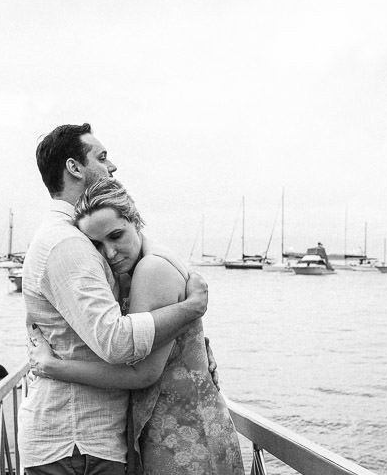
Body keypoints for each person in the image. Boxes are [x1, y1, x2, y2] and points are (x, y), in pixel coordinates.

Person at [19, 123, 210, 475]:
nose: (113, 167)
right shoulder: (67, 243)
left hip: (87, 440)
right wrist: (189, 310)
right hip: (78, 441)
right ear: (74, 167)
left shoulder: (80, 237)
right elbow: (116, 342)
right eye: (102, 157)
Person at [29, 177, 244, 474]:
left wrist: (53, 367)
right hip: (178, 423)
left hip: (183, 430)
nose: (110, 253)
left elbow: (143, 373)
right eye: (97, 245)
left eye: (116, 235)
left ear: (136, 220)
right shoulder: (145, 264)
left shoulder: (152, 268)